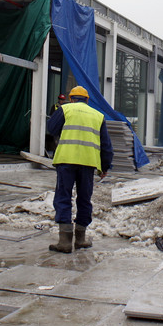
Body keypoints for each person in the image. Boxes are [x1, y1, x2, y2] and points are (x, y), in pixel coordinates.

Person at [45, 85, 113, 253]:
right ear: (87, 100)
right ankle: (81, 239)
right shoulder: (98, 116)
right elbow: (106, 145)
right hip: (88, 163)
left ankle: (65, 241)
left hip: (66, 160)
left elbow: (51, 128)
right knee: (84, 199)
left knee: (63, 196)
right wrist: (104, 166)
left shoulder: (65, 109)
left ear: (70, 99)